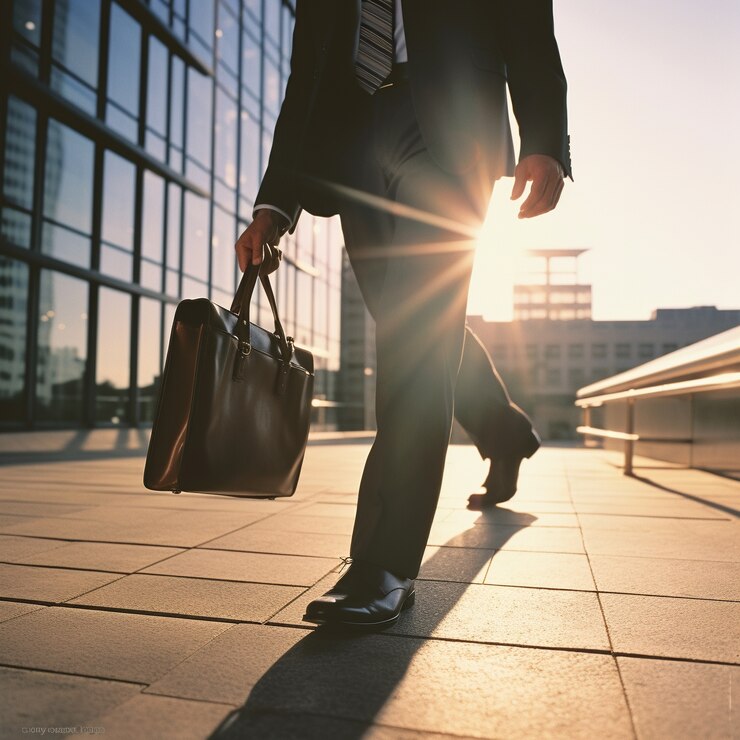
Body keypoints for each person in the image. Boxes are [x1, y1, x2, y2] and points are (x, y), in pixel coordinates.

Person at [235, 0, 571, 630]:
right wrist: (274, 203)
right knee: (415, 331)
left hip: (451, 137)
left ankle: (383, 564)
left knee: (417, 342)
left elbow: (526, 25)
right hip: (355, 141)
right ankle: (505, 433)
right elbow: (307, 74)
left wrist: (544, 140)